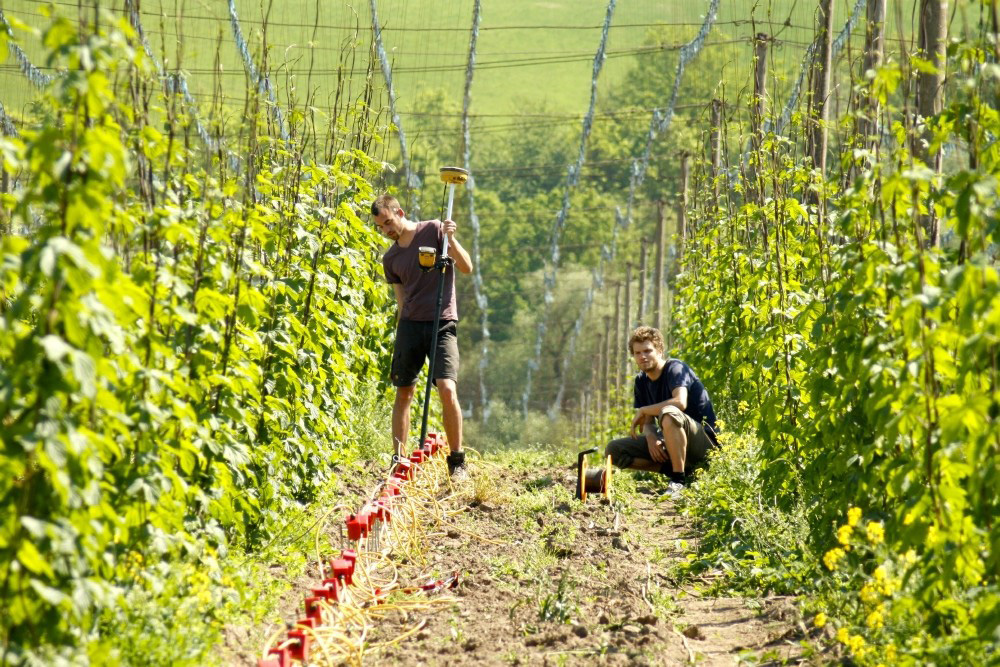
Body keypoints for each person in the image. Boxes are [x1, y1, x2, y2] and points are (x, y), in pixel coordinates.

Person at [370, 194, 474, 477]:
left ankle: (457, 461)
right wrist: (405, 330)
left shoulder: (435, 230)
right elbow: (401, 299)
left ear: (400, 212)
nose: (387, 230)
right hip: (411, 326)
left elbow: (466, 267)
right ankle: (398, 460)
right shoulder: (390, 258)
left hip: (442, 322)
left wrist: (450, 240)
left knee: (447, 388)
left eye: (389, 222)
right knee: (404, 391)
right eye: (381, 227)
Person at [606, 326, 719, 496]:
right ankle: (680, 472)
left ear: (659, 350)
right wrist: (651, 438)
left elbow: (680, 402)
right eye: (637, 353)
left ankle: (678, 481)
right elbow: (649, 423)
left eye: (647, 351)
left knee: (669, 412)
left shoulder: (675, 368)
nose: (642, 356)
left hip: (704, 445)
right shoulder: (641, 381)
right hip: (672, 440)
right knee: (613, 450)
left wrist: (644, 410)